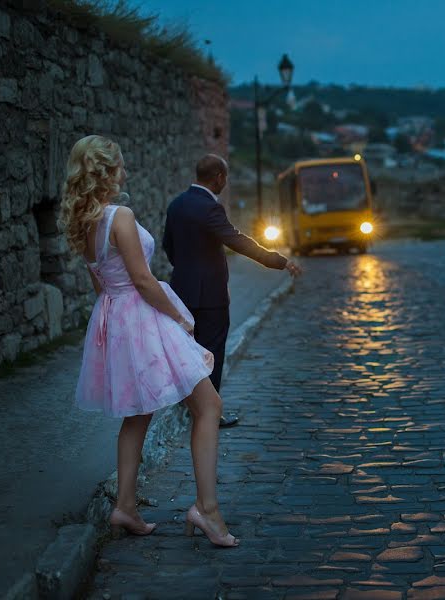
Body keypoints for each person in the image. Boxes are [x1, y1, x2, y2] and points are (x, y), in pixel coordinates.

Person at [60, 135, 238, 547]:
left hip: (114, 314)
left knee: (137, 414)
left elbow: (100, 283)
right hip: (142, 314)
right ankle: (207, 510)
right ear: (107, 171)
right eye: (119, 164)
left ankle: (125, 505)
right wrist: (179, 317)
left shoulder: (85, 222)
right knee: (209, 404)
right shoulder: (119, 216)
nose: (125, 171)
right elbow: (141, 279)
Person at [162, 155, 302, 427]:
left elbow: (169, 246)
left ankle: (188, 404)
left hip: (181, 291)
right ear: (218, 177)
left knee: (188, 350)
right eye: (225, 178)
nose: (225, 183)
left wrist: (187, 273)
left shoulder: (176, 205)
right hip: (211, 295)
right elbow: (237, 241)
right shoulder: (210, 208)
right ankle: (208, 415)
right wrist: (279, 260)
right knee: (211, 351)